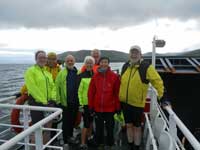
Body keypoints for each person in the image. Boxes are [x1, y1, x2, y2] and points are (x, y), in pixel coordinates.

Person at [119, 45, 164, 150]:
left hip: (137, 104)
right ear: (129, 54)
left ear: (140, 55)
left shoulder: (146, 67)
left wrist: (162, 96)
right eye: (132, 52)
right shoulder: (125, 66)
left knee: (137, 127)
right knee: (128, 125)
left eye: (136, 53)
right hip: (125, 103)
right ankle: (130, 145)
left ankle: (137, 146)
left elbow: (157, 81)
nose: (134, 55)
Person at [24, 50, 56, 145]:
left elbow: (52, 87)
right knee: (38, 129)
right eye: (40, 57)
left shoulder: (47, 73)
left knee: (47, 129)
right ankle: (35, 147)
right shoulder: (30, 71)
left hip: (49, 104)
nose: (42, 59)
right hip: (37, 104)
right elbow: (32, 88)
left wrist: (52, 99)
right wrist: (43, 101)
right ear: (36, 59)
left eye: (44, 57)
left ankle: (45, 146)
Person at [88, 57, 121, 149]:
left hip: (110, 108)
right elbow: (91, 92)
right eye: (102, 62)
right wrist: (91, 106)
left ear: (108, 63)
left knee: (110, 127)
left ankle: (109, 144)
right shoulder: (95, 76)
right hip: (98, 108)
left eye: (105, 62)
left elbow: (117, 93)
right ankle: (100, 143)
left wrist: (118, 107)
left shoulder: (114, 76)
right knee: (99, 128)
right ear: (99, 63)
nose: (104, 64)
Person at [55, 55, 79, 148]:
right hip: (65, 102)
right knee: (66, 122)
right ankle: (65, 140)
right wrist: (58, 101)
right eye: (68, 61)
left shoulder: (77, 72)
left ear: (74, 61)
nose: (70, 62)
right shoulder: (62, 73)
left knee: (72, 121)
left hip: (75, 102)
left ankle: (70, 136)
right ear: (65, 62)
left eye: (71, 60)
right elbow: (57, 87)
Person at [78, 56, 95, 150]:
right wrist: (80, 104)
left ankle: (89, 138)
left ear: (93, 64)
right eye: (87, 63)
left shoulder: (95, 75)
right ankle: (82, 143)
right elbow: (79, 91)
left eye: (91, 63)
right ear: (85, 64)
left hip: (93, 104)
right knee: (86, 123)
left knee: (91, 122)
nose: (89, 64)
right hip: (85, 104)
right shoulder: (81, 75)